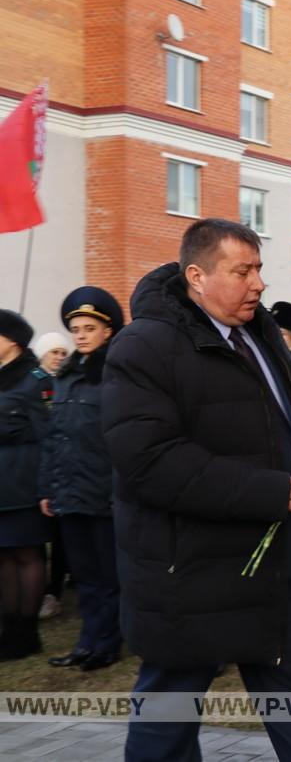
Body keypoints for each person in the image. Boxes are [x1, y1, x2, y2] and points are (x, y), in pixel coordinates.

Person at [102, 218, 291, 762]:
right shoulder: (144, 346)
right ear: (196, 275)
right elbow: (148, 460)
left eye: (259, 269)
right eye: (243, 271)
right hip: (191, 576)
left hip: (274, 565)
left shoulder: (259, 332)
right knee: (168, 715)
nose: (258, 284)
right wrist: (261, 490)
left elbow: (285, 410)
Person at [39, 286, 126, 671]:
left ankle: (107, 644)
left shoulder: (117, 373)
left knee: (109, 576)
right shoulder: (66, 375)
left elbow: (124, 438)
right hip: (70, 492)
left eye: (89, 327)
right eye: (75, 328)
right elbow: (54, 436)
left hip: (104, 493)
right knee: (86, 577)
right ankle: (86, 643)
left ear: (107, 331)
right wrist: (48, 488)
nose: (80, 335)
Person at [0, 310, 51, 660]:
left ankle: (28, 631)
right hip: (1, 485)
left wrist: (47, 487)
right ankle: (10, 628)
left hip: (24, 479)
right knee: (3, 555)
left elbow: (49, 434)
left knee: (28, 554)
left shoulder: (34, 379)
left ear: (12, 341)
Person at [31, 331, 73, 620]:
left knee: (61, 535)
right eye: (54, 352)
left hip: (62, 464)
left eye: (62, 353)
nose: (59, 357)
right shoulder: (34, 383)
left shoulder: (65, 381)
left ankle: (53, 590)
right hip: (36, 465)